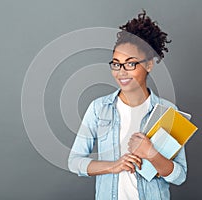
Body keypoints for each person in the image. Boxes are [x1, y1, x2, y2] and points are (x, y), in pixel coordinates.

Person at [68, 10, 187, 200]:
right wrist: (113, 165)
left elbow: (179, 176)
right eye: (116, 64)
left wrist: (151, 154)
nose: (121, 72)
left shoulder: (168, 112)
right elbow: (74, 162)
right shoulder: (99, 109)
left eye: (130, 64)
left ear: (148, 65)